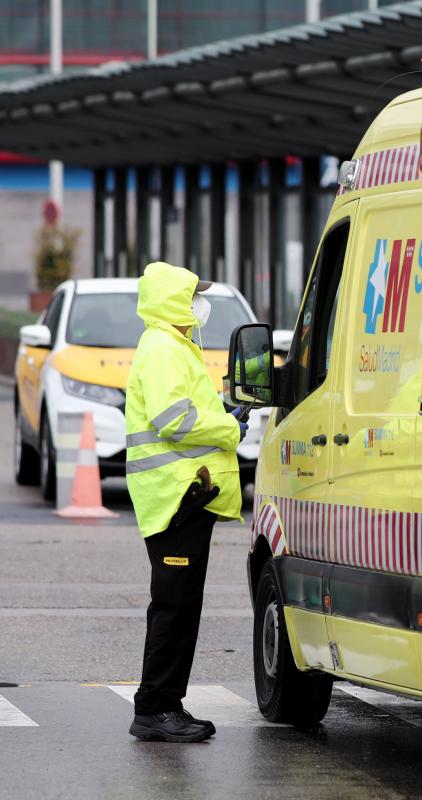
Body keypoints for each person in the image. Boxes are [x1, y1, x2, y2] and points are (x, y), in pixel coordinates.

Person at [124, 262, 248, 743]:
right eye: (196, 294)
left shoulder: (174, 346)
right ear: (175, 301)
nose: (201, 303)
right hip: (176, 499)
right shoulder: (162, 348)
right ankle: (155, 708)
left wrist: (223, 414)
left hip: (185, 498)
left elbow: (188, 410)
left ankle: (166, 705)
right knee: (174, 607)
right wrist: (229, 428)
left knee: (181, 606)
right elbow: (174, 419)